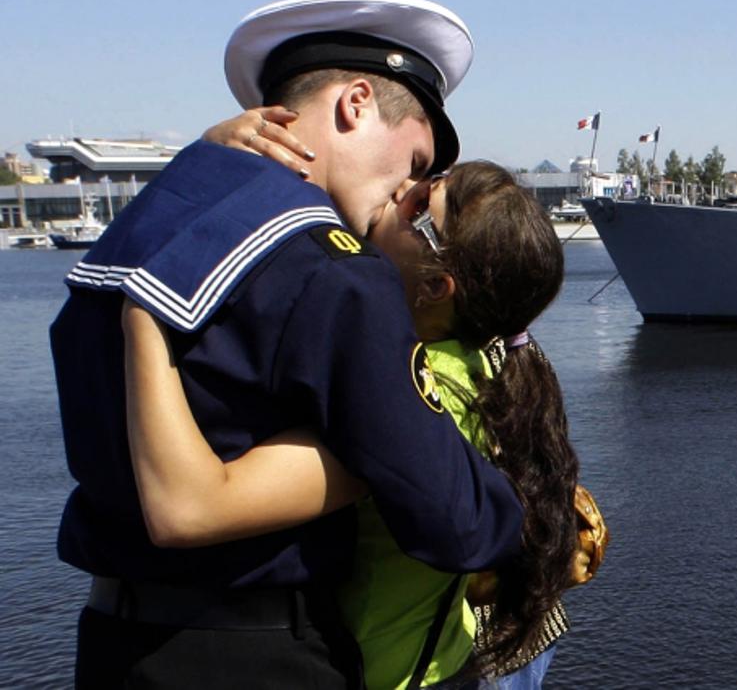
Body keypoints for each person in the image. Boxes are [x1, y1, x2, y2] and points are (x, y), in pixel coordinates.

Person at [51, 0, 525, 688]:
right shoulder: (335, 271)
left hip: (111, 643)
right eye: (416, 159)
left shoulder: (143, 224)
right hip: (255, 652)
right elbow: (457, 524)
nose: (409, 185)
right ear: (356, 103)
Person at [121, 160, 607, 688]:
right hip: (442, 657)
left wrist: (143, 312)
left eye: (419, 204)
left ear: (436, 285)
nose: (400, 188)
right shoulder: (479, 365)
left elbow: (192, 506)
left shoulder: (408, 392)